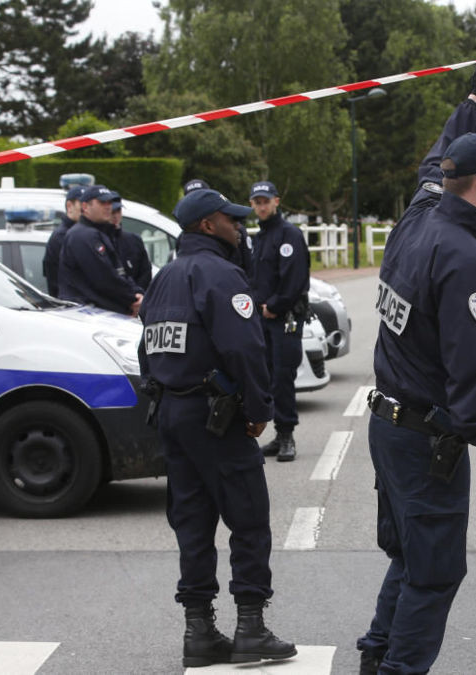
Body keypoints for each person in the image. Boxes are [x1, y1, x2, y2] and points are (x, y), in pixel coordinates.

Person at [357, 49, 476, 675]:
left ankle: (375, 659)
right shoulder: (466, 261)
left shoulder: (418, 217)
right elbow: (470, 380)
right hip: (428, 443)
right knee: (434, 575)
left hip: (387, 429)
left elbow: (440, 154)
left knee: (409, 558)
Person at [139, 188, 297, 669]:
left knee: (192, 522)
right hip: (217, 417)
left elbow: (148, 349)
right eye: (231, 219)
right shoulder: (222, 275)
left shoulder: (164, 277)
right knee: (248, 518)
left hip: (173, 415)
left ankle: (200, 632)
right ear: (207, 225)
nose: (239, 226)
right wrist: (258, 408)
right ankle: (250, 628)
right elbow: (245, 349)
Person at [248, 180, 310, 462]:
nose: (261, 206)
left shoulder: (289, 235)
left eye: (265, 201)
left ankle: (287, 435)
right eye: (256, 202)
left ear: (276, 201)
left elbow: (294, 279)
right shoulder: (259, 238)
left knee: (283, 377)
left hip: (283, 319)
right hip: (262, 320)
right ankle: (277, 431)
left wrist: (274, 305)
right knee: (268, 378)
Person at [57, 184, 144, 316]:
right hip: (87, 315)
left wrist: (137, 293)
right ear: (85, 207)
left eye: (110, 202)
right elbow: (104, 278)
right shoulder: (82, 235)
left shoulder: (101, 233)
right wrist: (131, 298)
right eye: (102, 202)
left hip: (101, 313)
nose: (108, 206)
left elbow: (119, 271)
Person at [182, 178, 253, 277]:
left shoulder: (235, 231)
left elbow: (249, 266)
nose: (198, 200)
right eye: (192, 197)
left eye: (203, 196)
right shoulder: (183, 239)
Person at [42, 184, 84, 296]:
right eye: (82, 205)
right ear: (69, 206)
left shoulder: (77, 233)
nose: (86, 209)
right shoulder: (63, 237)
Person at [110, 197, 153, 291]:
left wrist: (138, 294)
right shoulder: (98, 240)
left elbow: (145, 273)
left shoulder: (134, 240)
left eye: (118, 211)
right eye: (112, 212)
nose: (116, 216)